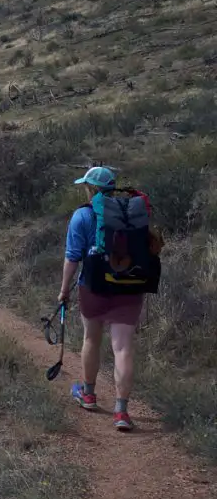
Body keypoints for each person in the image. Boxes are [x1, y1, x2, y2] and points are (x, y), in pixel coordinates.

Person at [58, 165, 144, 432]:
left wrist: (64, 291)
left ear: (90, 188)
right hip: (130, 286)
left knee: (91, 339)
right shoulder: (131, 213)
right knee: (123, 348)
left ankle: (89, 394)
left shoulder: (81, 216)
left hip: (93, 287)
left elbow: (73, 257)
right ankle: (121, 412)